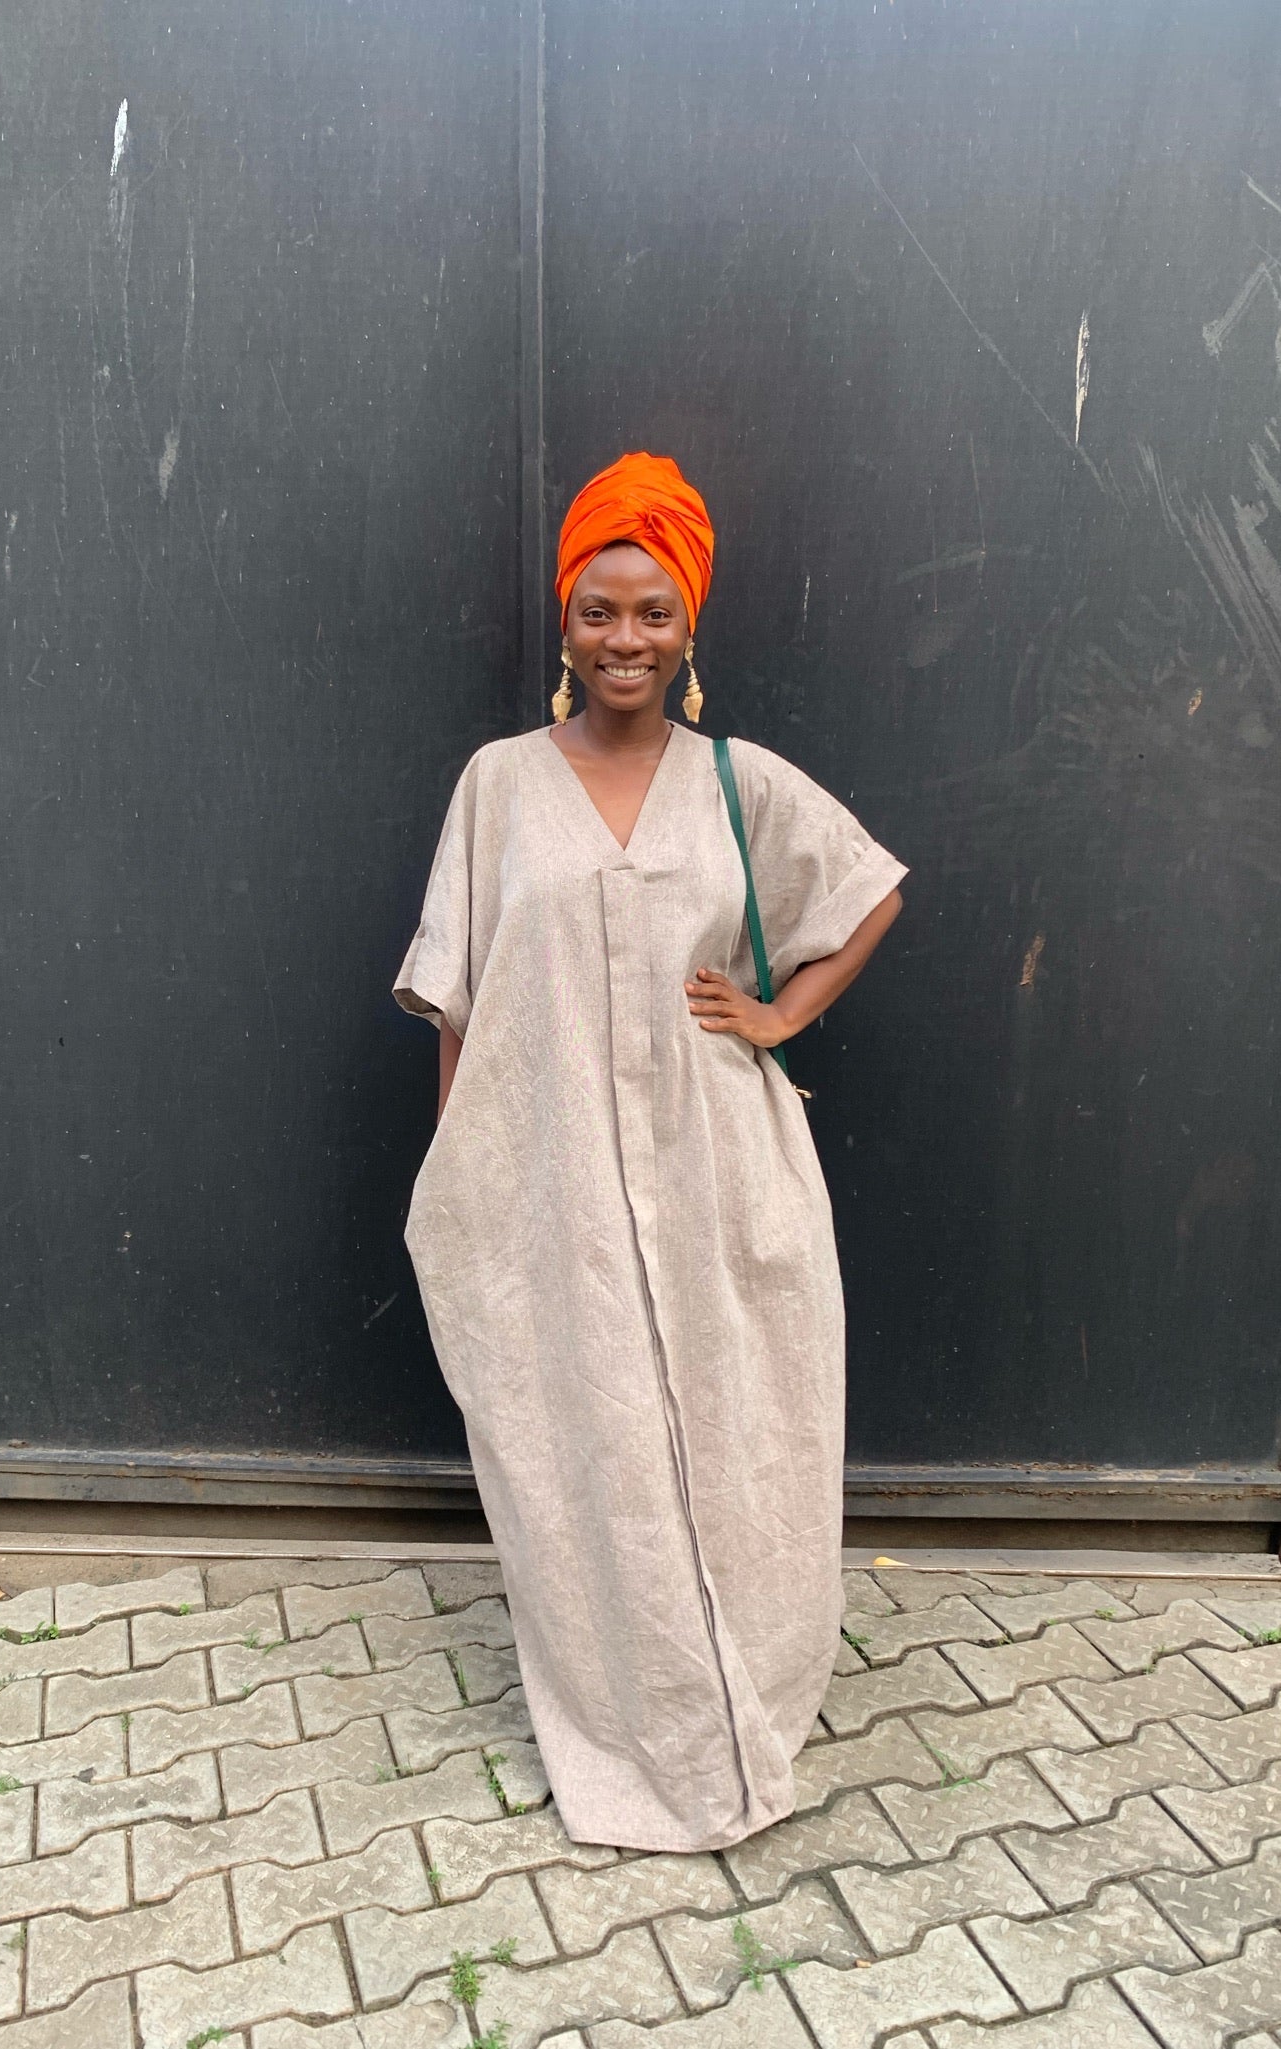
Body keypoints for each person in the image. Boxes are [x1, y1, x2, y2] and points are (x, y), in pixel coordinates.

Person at [394, 452, 906, 1851]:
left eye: (654, 611)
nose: (626, 637)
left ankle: (749, 1695)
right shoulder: (500, 786)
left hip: (718, 1169)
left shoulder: (737, 781)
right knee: (592, 1438)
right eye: (600, 610)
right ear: (564, 622)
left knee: (744, 1430)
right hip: (555, 1177)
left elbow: (868, 890)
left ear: (690, 629)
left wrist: (779, 1012)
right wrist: (463, 1171)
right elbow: (460, 995)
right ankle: (639, 1724)